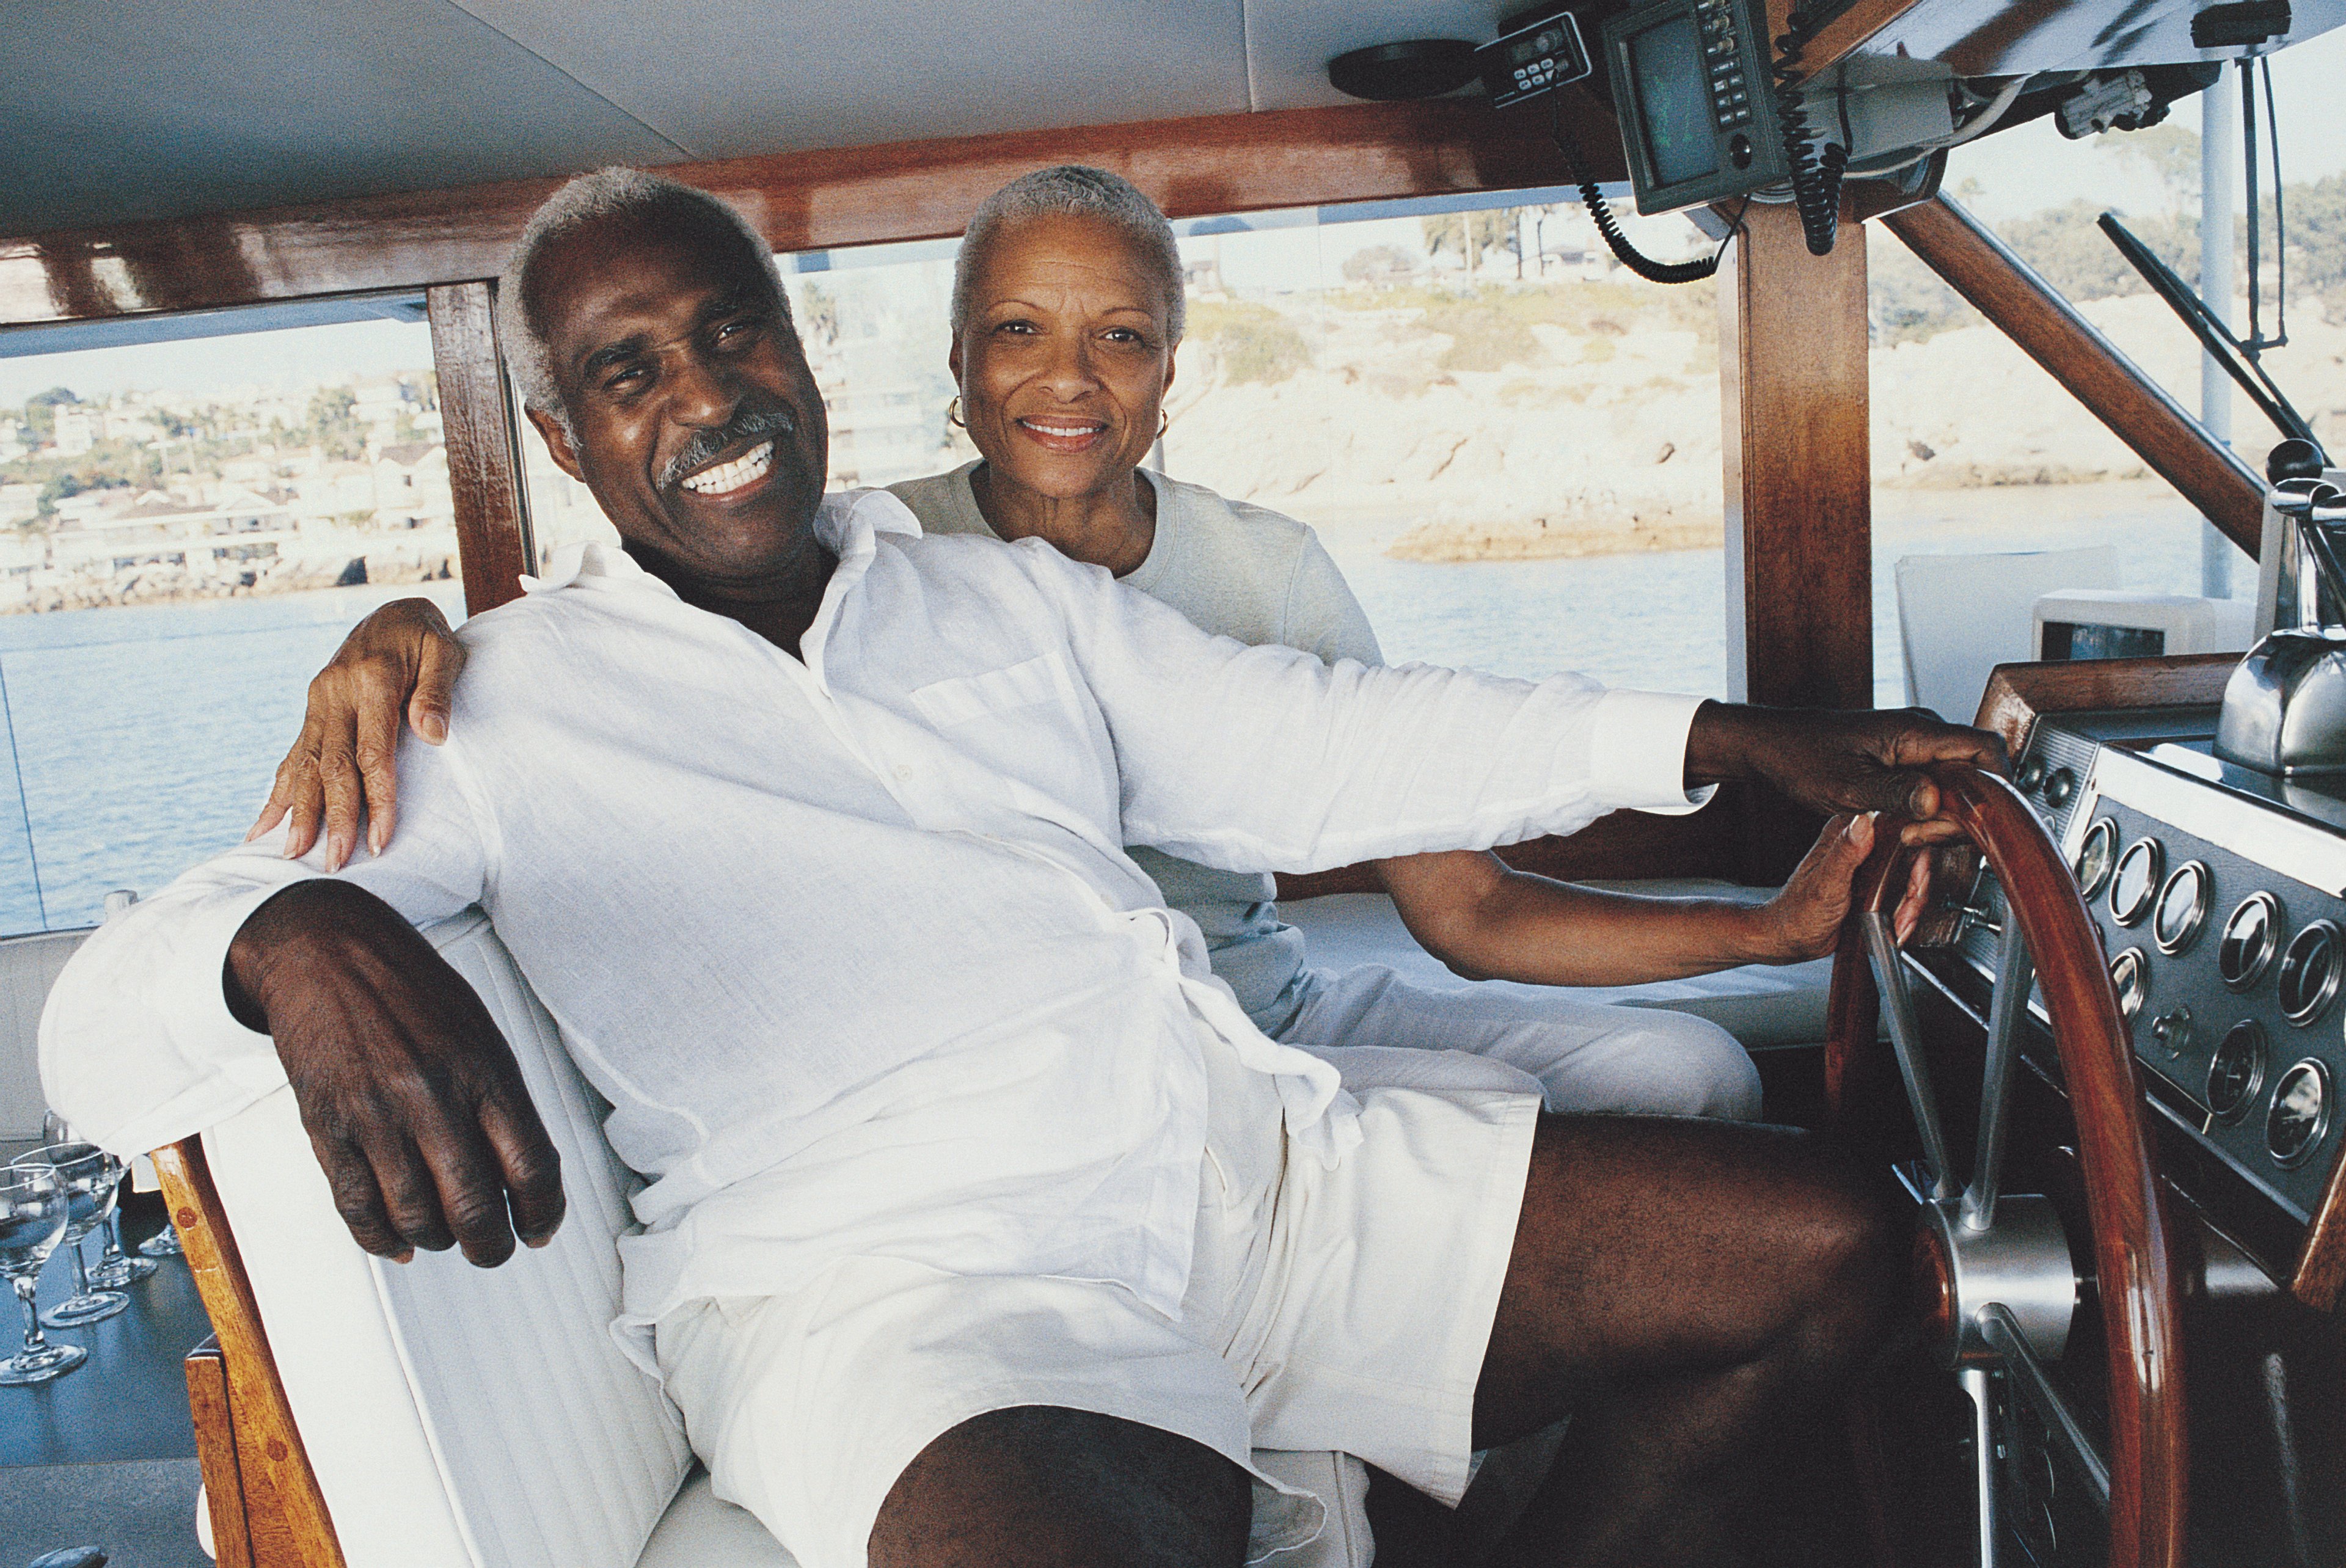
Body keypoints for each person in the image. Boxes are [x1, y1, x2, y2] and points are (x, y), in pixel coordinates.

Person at [45, 169, 1997, 1568]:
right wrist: (292, 937)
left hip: (1251, 1175)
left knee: (1833, 1265)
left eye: (735, 333)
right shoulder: (500, 707)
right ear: (562, 439)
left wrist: (1725, 741)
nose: (707, 399)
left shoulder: (996, 594)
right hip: (916, 1291)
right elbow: (102, 1022)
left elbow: (1327, 747)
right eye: (632, 371)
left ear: (803, 354)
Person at [254, 165, 1939, 1125]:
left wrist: (1764, 915)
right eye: (1020, 335)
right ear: (958, 372)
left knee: (1695, 1082)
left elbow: (1453, 882)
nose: (1069, 382)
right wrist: (407, 629)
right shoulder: (864, 545)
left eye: (1119, 337)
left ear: (1168, 374)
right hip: (1064, 1069)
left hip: (1270, 1008)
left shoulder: (1251, 572)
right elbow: (669, 574)